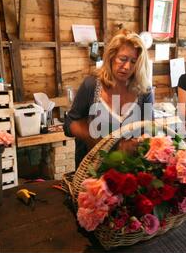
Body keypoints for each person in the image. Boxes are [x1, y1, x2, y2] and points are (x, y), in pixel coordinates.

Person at [64, 29, 153, 168]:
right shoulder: (92, 85)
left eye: (133, 61)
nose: (127, 66)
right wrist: (96, 140)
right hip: (92, 171)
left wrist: (140, 141)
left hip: (130, 172)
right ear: (111, 57)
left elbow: (149, 129)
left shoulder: (144, 91)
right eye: (122, 59)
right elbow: (69, 123)